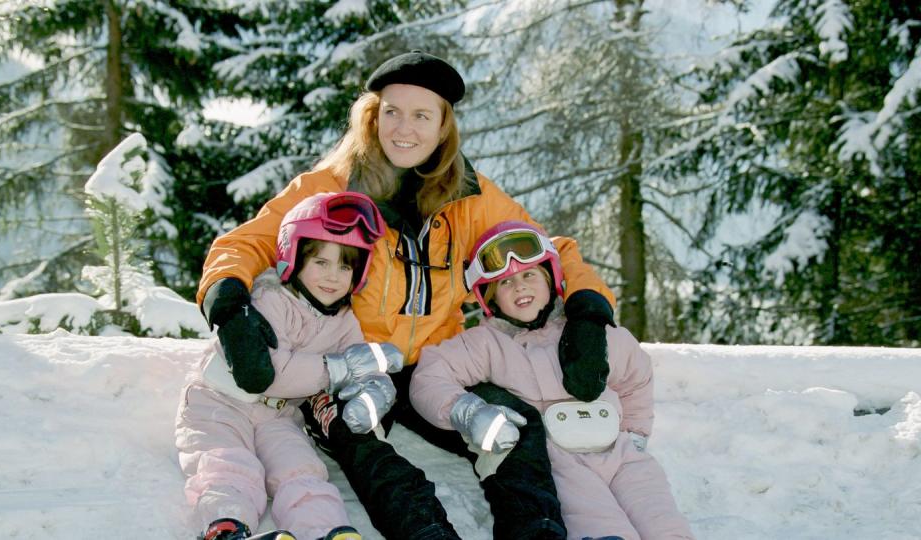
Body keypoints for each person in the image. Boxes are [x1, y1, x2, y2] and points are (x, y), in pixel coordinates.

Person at [196, 50, 619, 539]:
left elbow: (553, 249)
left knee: (514, 426)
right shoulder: (332, 187)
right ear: (373, 117)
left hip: (435, 362)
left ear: (443, 127)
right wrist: (229, 307)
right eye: (392, 112)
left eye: (422, 115)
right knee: (366, 446)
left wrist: (587, 312)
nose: (404, 128)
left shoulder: (469, 197)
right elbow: (244, 243)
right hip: (349, 362)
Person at [410, 221, 695, 540]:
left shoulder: (587, 333)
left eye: (529, 275)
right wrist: (466, 410)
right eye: (504, 283)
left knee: (662, 520)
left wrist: (635, 430)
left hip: (621, 451)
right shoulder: (487, 343)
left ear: (553, 279)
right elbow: (430, 375)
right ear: (488, 297)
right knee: (600, 523)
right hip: (560, 459)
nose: (519, 287)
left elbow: (635, 375)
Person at [176, 192, 407, 540]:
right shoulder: (272, 299)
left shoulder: (344, 321)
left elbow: (359, 361)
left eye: (345, 266)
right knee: (231, 464)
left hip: (280, 417)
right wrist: (339, 369)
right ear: (293, 257)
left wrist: (375, 388)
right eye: (321, 262)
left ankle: (325, 531)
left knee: (302, 471)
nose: (333, 276)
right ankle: (227, 526)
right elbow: (272, 374)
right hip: (220, 403)